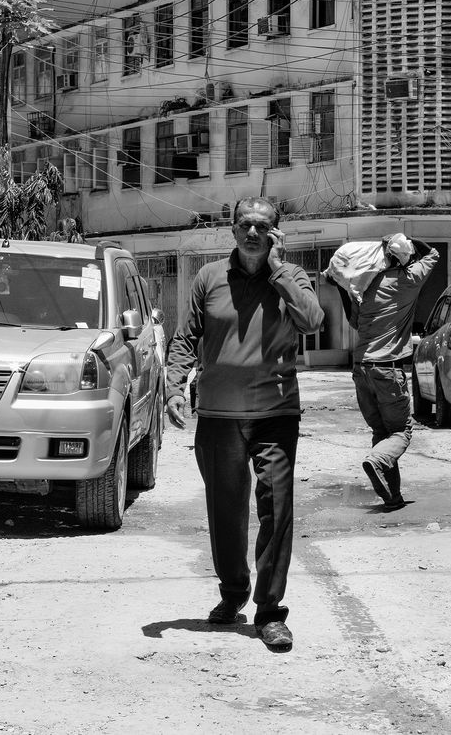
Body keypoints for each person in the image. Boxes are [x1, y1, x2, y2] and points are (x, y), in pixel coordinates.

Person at [164, 195, 325, 653]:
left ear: (275, 233)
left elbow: (313, 321)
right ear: (232, 230)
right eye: (244, 226)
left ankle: (270, 612)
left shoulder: (291, 276)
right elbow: (186, 336)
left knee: (276, 507)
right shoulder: (208, 277)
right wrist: (174, 386)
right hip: (217, 415)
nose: (252, 233)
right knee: (225, 510)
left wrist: (276, 269)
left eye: (262, 226)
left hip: (275, 413)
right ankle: (233, 592)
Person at [329, 232, 440, 510]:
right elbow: (432, 254)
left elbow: (354, 321)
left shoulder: (363, 287)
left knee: (382, 432)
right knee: (401, 431)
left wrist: (343, 290)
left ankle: (392, 496)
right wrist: (408, 240)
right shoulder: (407, 280)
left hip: (361, 370)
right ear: (401, 257)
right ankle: (377, 461)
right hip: (387, 369)